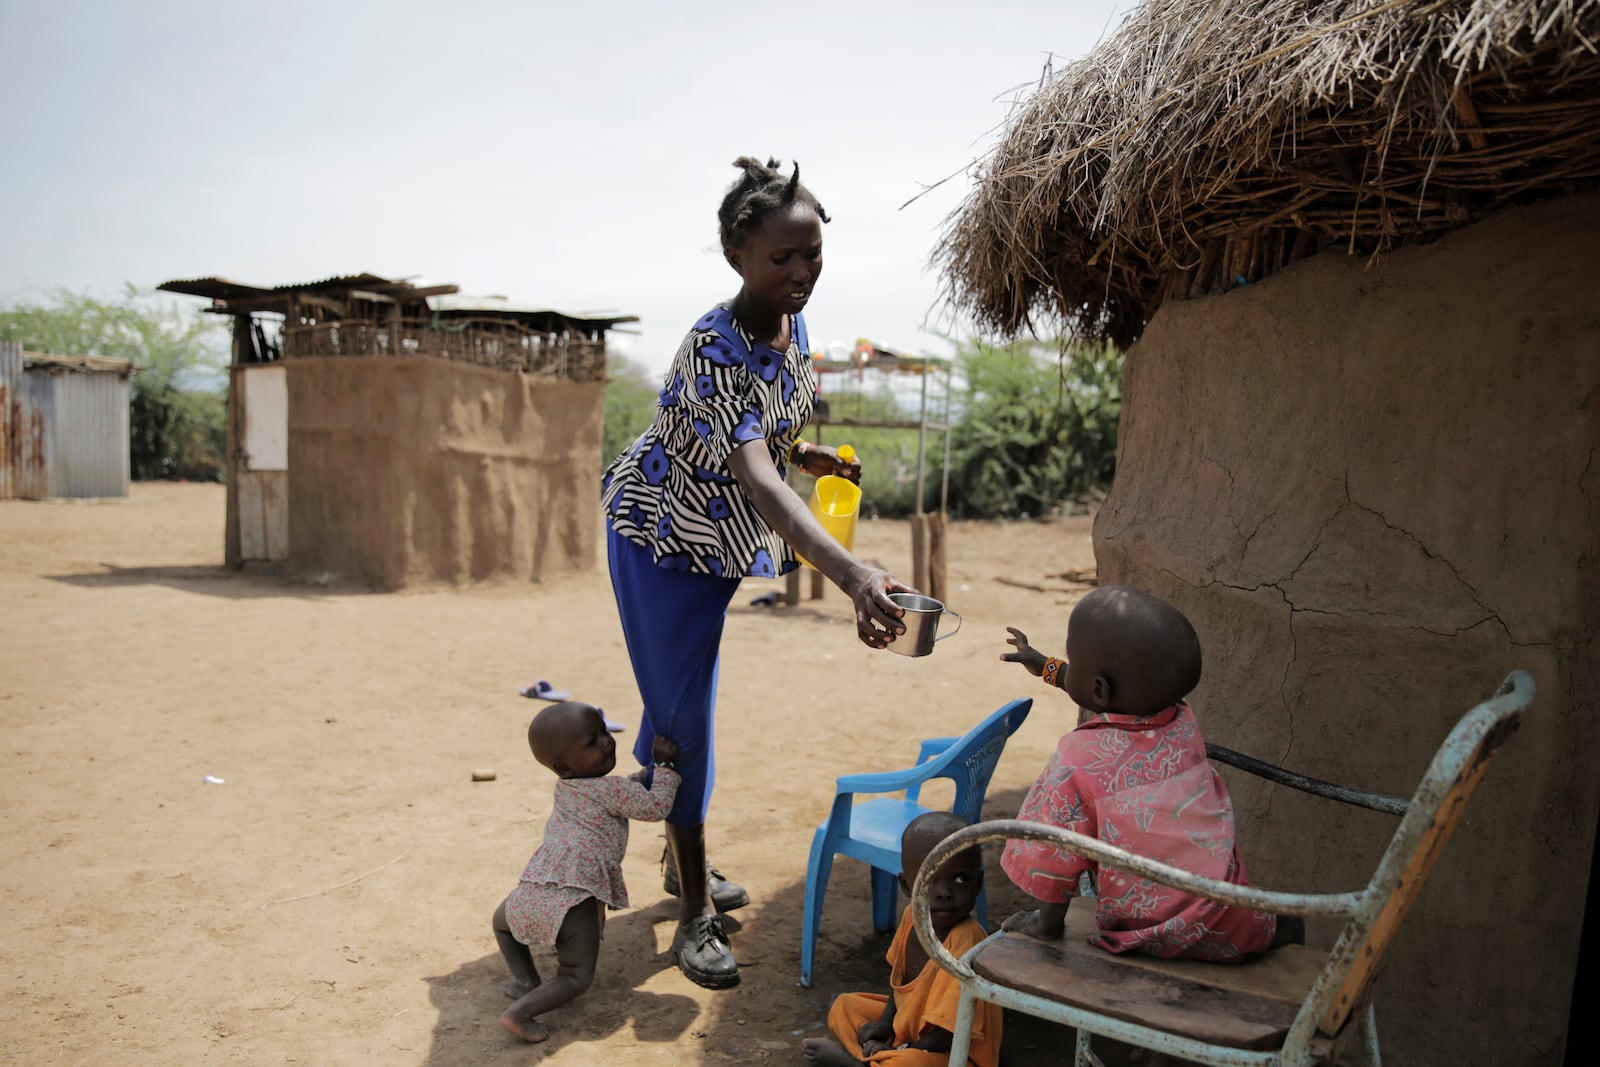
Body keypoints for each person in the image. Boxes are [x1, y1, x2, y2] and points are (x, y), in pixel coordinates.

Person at [601, 156, 914, 989]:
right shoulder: (714, 346)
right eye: (783, 259)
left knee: (680, 709)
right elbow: (759, 479)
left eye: (812, 255)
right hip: (661, 542)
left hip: (714, 548)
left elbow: (769, 438)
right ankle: (695, 909)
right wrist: (851, 574)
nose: (802, 274)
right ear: (739, 255)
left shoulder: (792, 322)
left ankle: (680, 860)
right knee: (682, 726)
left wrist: (801, 445)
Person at [998, 585, 1290, 960]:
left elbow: (1050, 853)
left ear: (1101, 689)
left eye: (1074, 657)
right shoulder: (1182, 722)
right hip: (1228, 916)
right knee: (1283, 921)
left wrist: (1046, 924)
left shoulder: (1078, 758)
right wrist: (1049, 668)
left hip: (1147, 933)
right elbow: (1109, 689)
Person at [491, 701, 681, 1042]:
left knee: (502, 926)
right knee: (575, 975)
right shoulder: (611, 791)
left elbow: (619, 794)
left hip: (532, 890)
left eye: (604, 732)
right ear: (564, 765)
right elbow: (654, 806)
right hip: (574, 901)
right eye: (593, 742)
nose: (607, 742)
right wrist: (664, 768)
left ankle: (525, 980)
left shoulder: (568, 787)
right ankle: (520, 1013)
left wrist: (640, 779)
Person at [800, 811, 1002, 1067]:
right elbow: (899, 988)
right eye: (929, 880)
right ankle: (879, 1058)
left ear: (978, 883)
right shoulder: (912, 916)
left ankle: (863, 1062)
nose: (944, 893)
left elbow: (947, 1035)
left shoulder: (966, 939)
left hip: (957, 1054)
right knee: (844, 1006)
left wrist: (901, 1049)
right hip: (915, 1028)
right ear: (906, 886)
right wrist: (885, 1023)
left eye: (960, 879)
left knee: (907, 1063)